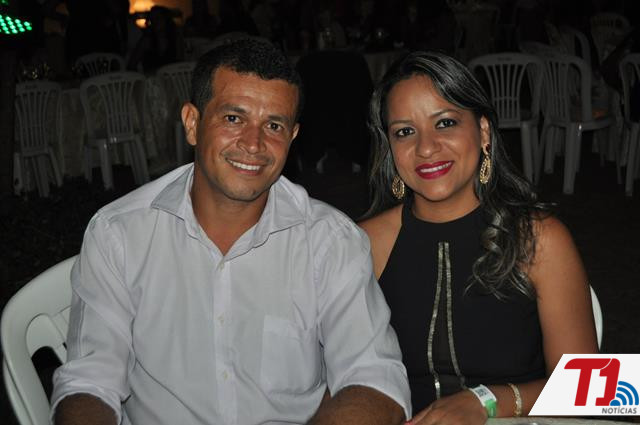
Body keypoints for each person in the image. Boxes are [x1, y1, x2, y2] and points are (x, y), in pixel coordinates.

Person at [51, 38, 410, 425]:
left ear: (292, 138)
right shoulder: (120, 234)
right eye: (234, 119)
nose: (254, 144)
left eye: (273, 125)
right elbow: (90, 383)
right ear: (192, 124)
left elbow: (375, 380)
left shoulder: (329, 241)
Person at [359, 51, 598, 425]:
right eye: (404, 131)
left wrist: (486, 401)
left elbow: (598, 389)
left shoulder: (539, 239)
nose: (426, 147)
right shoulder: (365, 243)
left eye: (445, 123)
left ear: (483, 131)